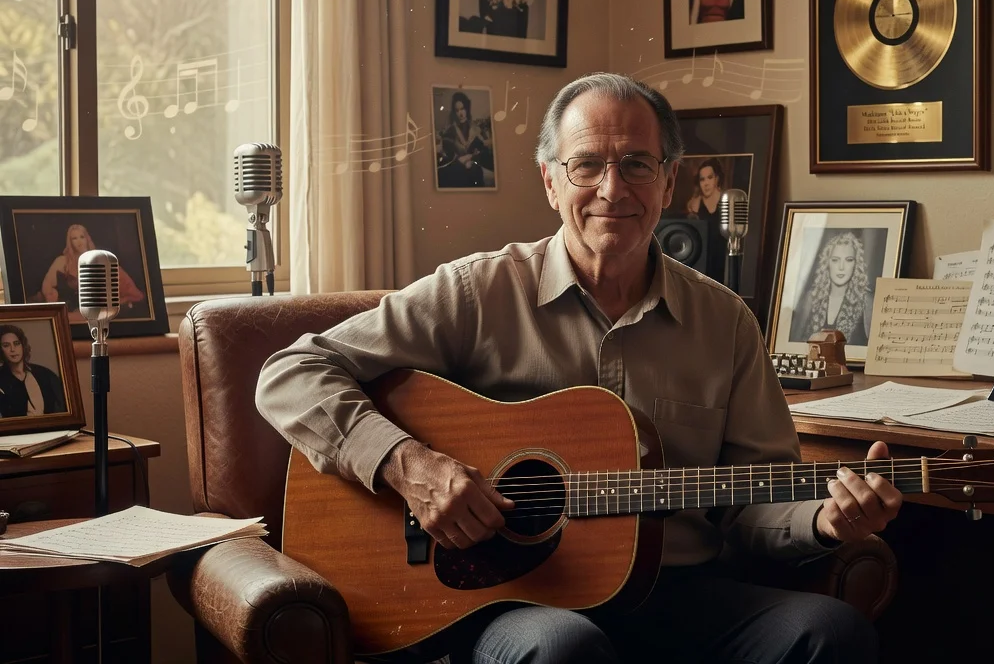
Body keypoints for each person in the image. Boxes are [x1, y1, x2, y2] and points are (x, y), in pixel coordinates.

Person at [257, 73, 896, 664]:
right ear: (550, 182)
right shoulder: (478, 293)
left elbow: (754, 493)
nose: (611, 189)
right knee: (565, 649)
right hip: (518, 597)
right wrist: (408, 465)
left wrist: (822, 519)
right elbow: (290, 372)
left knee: (831, 632)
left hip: (678, 591)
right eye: (586, 164)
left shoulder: (725, 321)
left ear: (668, 183)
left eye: (637, 165)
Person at [39, 224, 146, 324]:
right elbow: (47, 283)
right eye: (74, 238)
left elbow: (125, 288)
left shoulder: (101, 259)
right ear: (70, 242)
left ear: (87, 238)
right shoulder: (62, 261)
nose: (79, 241)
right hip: (71, 308)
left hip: (97, 308)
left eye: (82, 237)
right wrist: (50, 293)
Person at [789, 232, 875, 348]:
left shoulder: (867, 302)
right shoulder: (810, 299)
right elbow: (793, 346)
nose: (841, 267)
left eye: (849, 260)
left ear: (856, 264)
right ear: (827, 263)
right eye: (835, 260)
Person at [0, 325, 67, 418]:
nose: (13, 349)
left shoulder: (45, 375)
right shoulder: (2, 380)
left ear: (23, 346)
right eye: (6, 345)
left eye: (16, 343)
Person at [437, 92, 495, 189]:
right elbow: (448, 156)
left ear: (467, 109)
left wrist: (471, 157)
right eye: (457, 110)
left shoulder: (475, 128)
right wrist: (463, 161)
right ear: (454, 112)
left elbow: (482, 150)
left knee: (476, 171)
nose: (460, 113)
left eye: (462, 109)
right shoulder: (450, 131)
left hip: (473, 166)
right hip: (458, 167)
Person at [684, 158, 726, 282]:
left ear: (717, 179)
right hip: (702, 262)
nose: (706, 183)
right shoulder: (694, 205)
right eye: (702, 179)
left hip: (723, 259)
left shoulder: (727, 200)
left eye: (710, 177)